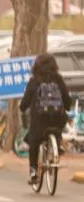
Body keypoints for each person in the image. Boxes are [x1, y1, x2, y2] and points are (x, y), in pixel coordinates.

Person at [20, 53, 72, 186]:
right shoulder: (58, 79)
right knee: (57, 128)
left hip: (39, 122)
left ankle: (33, 172)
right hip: (56, 120)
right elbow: (67, 100)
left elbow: (24, 103)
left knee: (34, 142)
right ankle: (57, 146)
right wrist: (65, 108)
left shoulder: (34, 81)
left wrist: (23, 108)